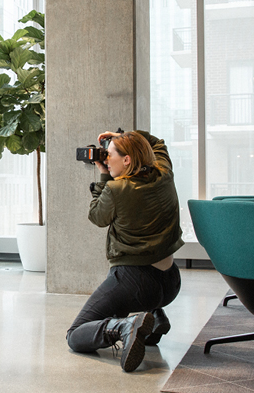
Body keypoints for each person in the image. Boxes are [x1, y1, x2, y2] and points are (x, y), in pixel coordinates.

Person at [66, 130, 184, 372]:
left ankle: (125, 327)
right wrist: (125, 135)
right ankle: (155, 317)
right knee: (147, 292)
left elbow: (97, 216)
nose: (106, 160)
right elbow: (157, 143)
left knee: (75, 335)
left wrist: (103, 177)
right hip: (170, 283)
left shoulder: (116, 189)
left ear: (128, 159)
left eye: (109, 155)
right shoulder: (164, 172)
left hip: (135, 284)